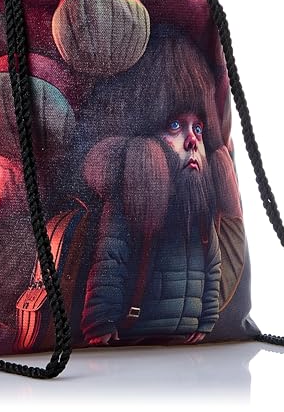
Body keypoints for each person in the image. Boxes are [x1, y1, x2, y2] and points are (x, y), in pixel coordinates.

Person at [74, 27, 224, 346]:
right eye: (175, 126)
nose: (192, 140)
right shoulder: (134, 196)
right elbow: (111, 259)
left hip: (188, 348)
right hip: (132, 339)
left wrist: (208, 319)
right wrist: (100, 320)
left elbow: (213, 266)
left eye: (198, 128)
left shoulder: (200, 207)